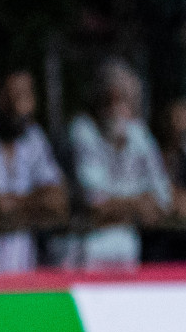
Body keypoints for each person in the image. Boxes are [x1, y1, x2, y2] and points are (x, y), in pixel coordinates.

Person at [0, 70, 69, 273]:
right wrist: (30, 204)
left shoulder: (33, 136)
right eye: (9, 95)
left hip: (21, 263)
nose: (16, 105)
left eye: (23, 95)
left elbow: (57, 201)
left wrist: (9, 204)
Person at [69, 59, 173, 269]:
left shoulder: (139, 134)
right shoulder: (83, 130)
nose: (117, 107)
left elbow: (164, 198)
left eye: (125, 99)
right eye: (111, 98)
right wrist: (138, 203)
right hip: (87, 246)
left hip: (128, 245)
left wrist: (120, 206)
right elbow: (95, 205)